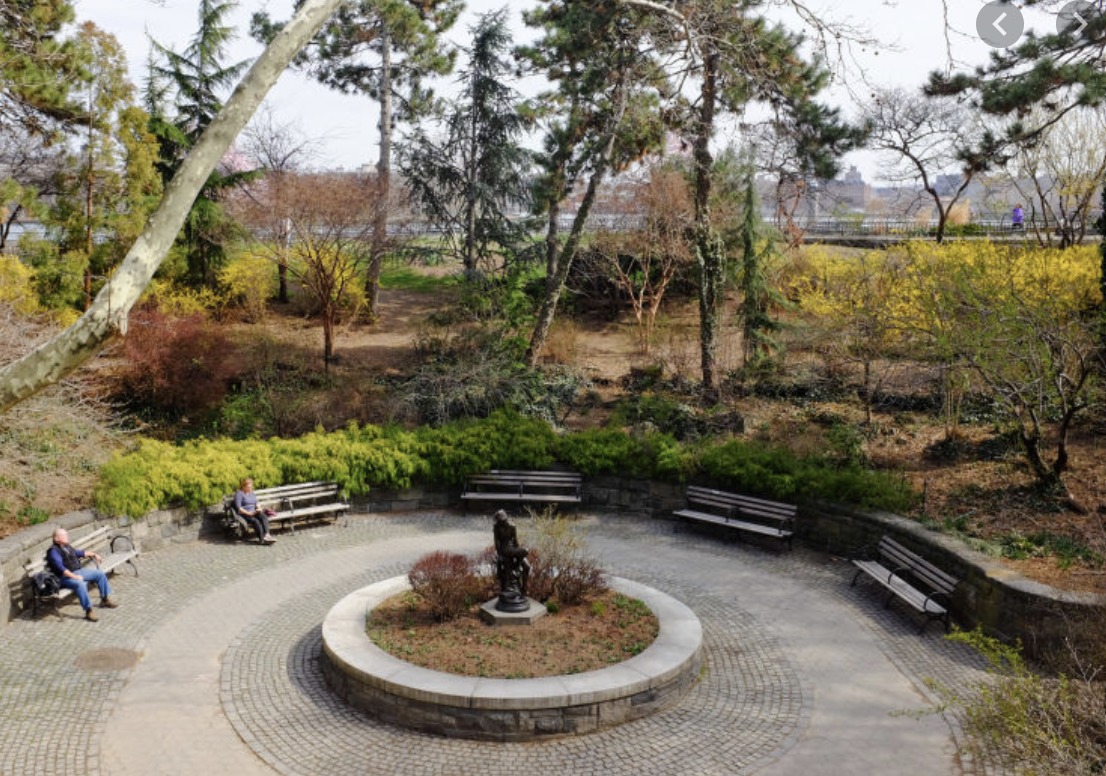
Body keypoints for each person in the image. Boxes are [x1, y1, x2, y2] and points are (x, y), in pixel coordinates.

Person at [45, 527, 118, 622]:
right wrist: (75, 577)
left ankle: (104, 600)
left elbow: (77, 553)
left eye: (66, 534)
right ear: (56, 539)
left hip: (77, 571)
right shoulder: (53, 551)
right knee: (80, 584)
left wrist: (93, 554)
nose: (67, 536)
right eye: (64, 535)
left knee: (99, 574)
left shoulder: (66, 546)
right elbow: (61, 569)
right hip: (63, 578)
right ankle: (88, 611)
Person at [233, 478, 276, 544]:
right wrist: (248, 513)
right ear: (243, 486)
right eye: (248, 487)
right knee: (255, 521)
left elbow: (256, 503)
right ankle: (262, 539)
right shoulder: (239, 494)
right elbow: (239, 508)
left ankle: (267, 535)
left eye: (251, 487)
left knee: (263, 516)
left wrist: (259, 508)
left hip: (254, 511)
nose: (250, 488)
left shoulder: (252, 493)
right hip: (244, 513)